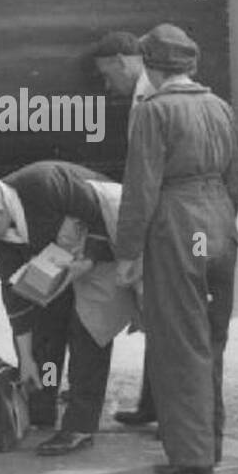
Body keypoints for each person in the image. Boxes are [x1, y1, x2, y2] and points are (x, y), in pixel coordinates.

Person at [114, 24, 238, 474]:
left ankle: (191, 456)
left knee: (179, 343)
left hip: (177, 224)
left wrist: (127, 252)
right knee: (212, 338)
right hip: (220, 223)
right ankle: (212, 442)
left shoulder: (154, 112)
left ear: (151, 67)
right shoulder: (220, 107)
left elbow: (141, 188)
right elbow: (236, 181)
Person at [0, 161, 118, 455]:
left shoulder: (43, 182)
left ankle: (81, 425)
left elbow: (96, 212)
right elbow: (16, 296)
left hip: (107, 239)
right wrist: (27, 358)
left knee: (87, 327)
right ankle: (43, 405)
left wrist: (89, 260)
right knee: (45, 325)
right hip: (62, 252)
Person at [90, 30, 159, 429]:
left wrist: (130, 251)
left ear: (122, 61)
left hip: (165, 221)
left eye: (107, 74)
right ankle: (152, 405)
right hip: (163, 219)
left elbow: (143, 181)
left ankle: (169, 414)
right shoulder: (142, 97)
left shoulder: (151, 100)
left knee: (167, 320)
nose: (107, 85)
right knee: (156, 317)